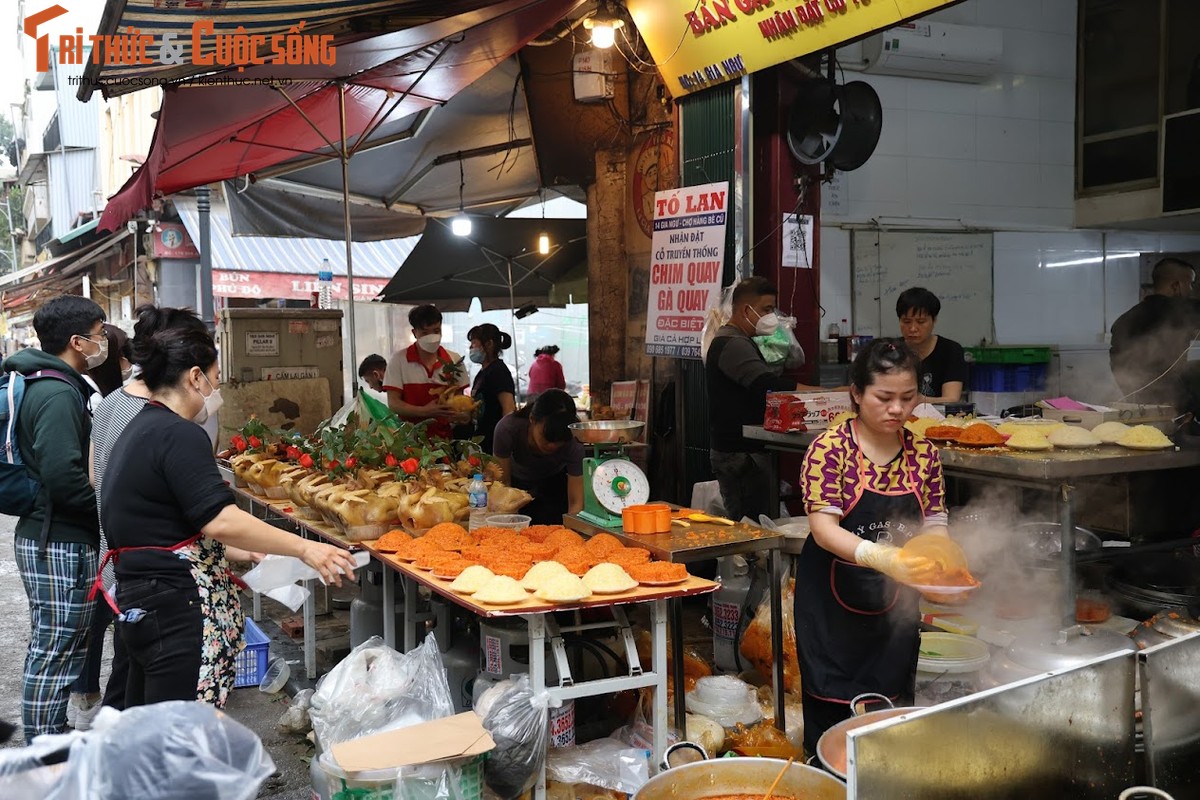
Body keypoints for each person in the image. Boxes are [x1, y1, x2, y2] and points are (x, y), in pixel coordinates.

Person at [100, 324, 359, 708]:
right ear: (195, 377)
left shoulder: (139, 427)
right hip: (176, 603)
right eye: (216, 380)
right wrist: (306, 548)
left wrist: (245, 551)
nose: (216, 390)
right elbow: (219, 519)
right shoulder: (179, 434)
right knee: (181, 727)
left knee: (150, 724)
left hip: (143, 596)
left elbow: (165, 521)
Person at [795, 339, 947, 758]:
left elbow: (934, 518)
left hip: (895, 612)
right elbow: (824, 529)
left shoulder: (923, 453)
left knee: (892, 718)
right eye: (884, 397)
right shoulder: (830, 450)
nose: (897, 409)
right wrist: (881, 556)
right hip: (832, 609)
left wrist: (944, 564)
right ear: (857, 393)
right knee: (835, 721)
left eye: (908, 397)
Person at [2, 295, 106, 741]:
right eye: (100, 336)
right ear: (77, 341)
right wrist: (105, 512)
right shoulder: (58, 392)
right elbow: (63, 474)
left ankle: (47, 737)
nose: (103, 344)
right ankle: (45, 747)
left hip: (49, 535)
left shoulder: (50, 383)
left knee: (55, 644)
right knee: (55, 647)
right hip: (57, 539)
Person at [705, 276, 799, 522]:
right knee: (753, 528)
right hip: (740, 455)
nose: (772, 317)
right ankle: (753, 563)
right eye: (767, 309)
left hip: (743, 453)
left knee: (756, 523)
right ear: (746, 310)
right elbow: (766, 386)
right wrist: (821, 393)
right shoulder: (732, 343)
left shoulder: (741, 341)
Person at [1110, 257, 1199, 407]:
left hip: (1136, 401)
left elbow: (1117, 364)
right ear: (1176, 286)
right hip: (1174, 402)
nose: (1191, 289)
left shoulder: (1123, 320)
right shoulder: (1180, 311)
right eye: (1190, 284)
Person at [492, 389, 584, 524]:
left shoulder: (575, 440)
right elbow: (503, 485)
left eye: (559, 441)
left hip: (555, 485)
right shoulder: (507, 428)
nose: (552, 446)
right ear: (532, 419)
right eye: (546, 437)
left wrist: (571, 534)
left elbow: (576, 503)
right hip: (517, 486)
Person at [383, 304, 469, 439]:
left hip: (446, 439)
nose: (432, 337)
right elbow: (393, 403)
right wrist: (424, 411)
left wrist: (462, 414)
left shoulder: (454, 360)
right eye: (424, 333)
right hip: (410, 439)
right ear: (414, 333)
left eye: (436, 331)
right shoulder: (398, 360)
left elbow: (459, 399)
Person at [895, 287, 967, 404]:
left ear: (934, 321)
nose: (913, 328)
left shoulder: (950, 350)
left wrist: (920, 400)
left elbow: (952, 398)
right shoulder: (892, 350)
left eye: (921, 322)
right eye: (906, 322)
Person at [467, 323, 516, 453]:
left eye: (474, 343)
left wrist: (504, 443)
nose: (470, 347)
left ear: (488, 344)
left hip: (494, 443)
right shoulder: (482, 373)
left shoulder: (498, 371)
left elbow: (508, 408)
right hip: (482, 440)